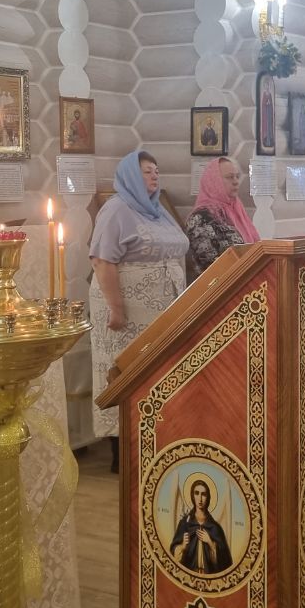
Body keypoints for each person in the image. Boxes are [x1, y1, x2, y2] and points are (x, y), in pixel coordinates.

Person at [90, 151, 189, 471]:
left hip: (161, 312)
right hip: (126, 312)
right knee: (124, 373)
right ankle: (123, 455)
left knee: (157, 373)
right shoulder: (116, 209)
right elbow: (102, 260)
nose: (155, 176)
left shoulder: (157, 210)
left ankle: (156, 442)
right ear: (131, 176)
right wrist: (116, 309)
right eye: (147, 171)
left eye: (157, 171)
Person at [186, 157, 259, 275]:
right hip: (220, 283)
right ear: (214, 181)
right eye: (229, 177)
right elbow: (209, 264)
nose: (236, 181)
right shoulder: (201, 217)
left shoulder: (236, 210)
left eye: (237, 176)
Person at [169, 478, 232, 574]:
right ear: (192, 496)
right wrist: (182, 546)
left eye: (204, 494)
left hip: (208, 577)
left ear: (208, 497)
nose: (200, 498)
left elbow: (226, 563)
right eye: (197, 493)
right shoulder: (185, 524)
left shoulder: (215, 528)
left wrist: (210, 543)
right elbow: (172, 555)